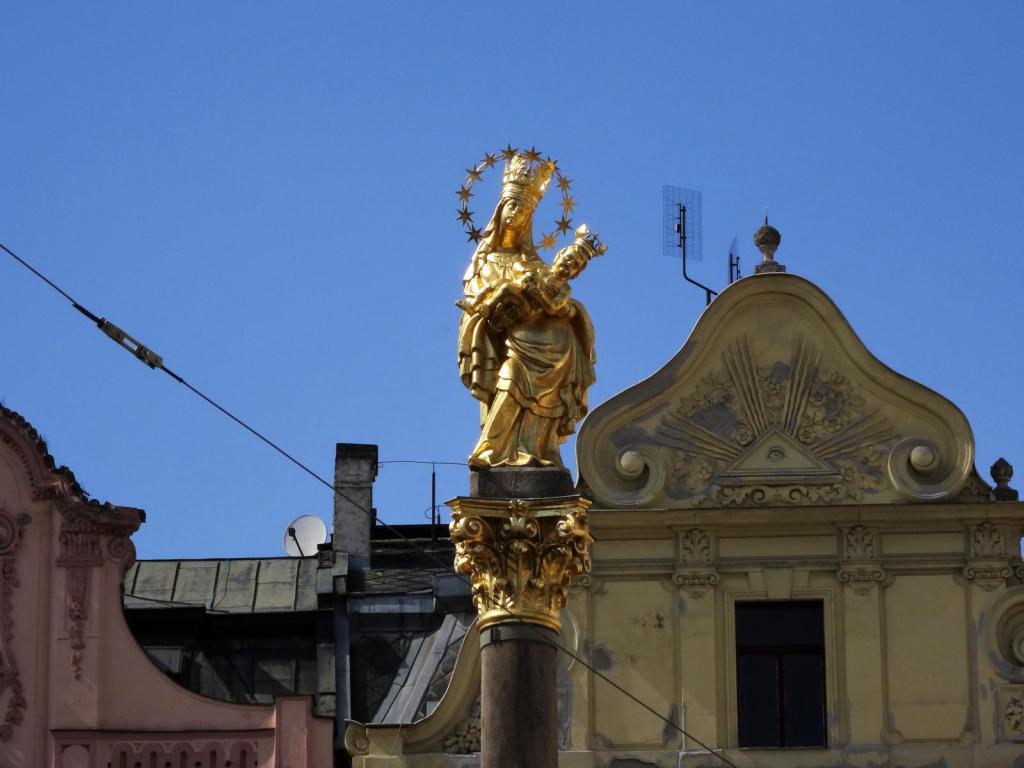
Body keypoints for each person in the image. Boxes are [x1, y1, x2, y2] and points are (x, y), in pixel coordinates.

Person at [457, 155, 601, 468]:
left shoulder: (537, 264)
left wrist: (565, 310)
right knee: (508, 381)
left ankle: (539, 450)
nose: (516, 214)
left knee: (543, 404)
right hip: (513, 344)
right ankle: (492, 451)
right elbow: (477, 304)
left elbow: (557, 298)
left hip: (552, 350)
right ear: (499, 210)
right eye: (511, 205)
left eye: (524, 209)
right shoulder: (484, 262)